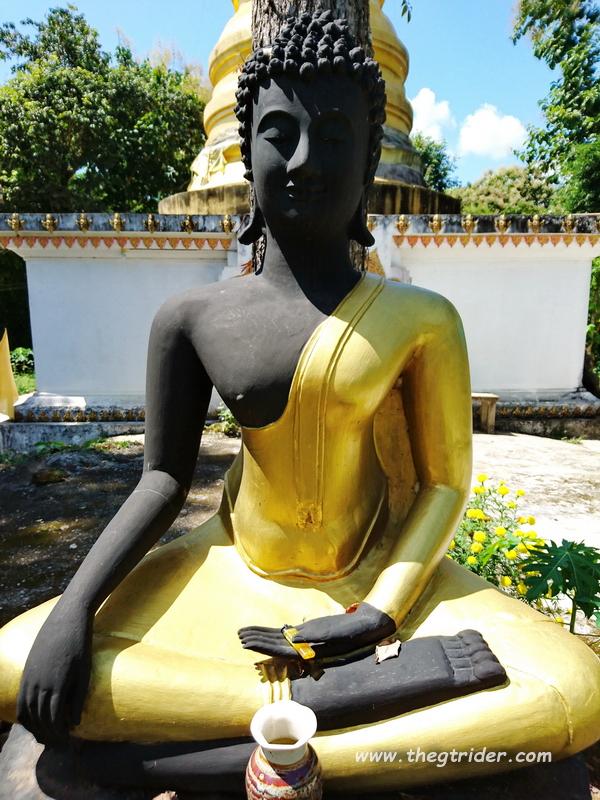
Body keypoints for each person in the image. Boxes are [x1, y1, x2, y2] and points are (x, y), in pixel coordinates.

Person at [0, 11, 598, 796]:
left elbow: (445, 484)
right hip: (234, 565)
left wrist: (377, 616)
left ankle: (204, 756)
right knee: (15, 662)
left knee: (572, 689)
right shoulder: (191, 317)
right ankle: (341, 710)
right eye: (279, 133)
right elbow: (162, 480)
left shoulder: (422, 319)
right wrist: (76, 606)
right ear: (244, 150)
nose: (306, 160)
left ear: (369, 161)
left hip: (374, 575)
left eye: (336, 137)